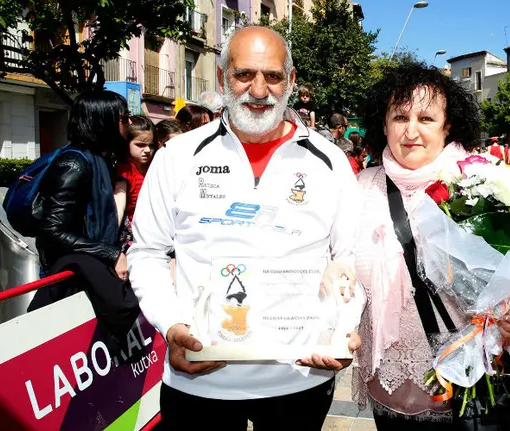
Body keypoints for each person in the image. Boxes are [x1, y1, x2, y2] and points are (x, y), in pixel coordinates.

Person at [127, 26, 363, 430]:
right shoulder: (177, 156)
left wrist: (344, 328)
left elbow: (348, 258)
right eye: (244, 74)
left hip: (301, 375)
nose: (258, 90)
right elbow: (147, 254)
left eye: (272, 76)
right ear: (223, 78)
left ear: (291, 80)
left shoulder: (329, 160)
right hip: (201, 377)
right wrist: (172, 326)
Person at [354, 62, 510, 429]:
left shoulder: (482, 182)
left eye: (426, 118)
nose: (411, 131)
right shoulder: (359, 188)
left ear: (447, 125)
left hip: (474, 380)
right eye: (400, 117)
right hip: (392, 384)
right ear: (383, 124)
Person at [28, 91, 140, 351]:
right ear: (103, 120)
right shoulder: (74, 164)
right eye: (124, 117)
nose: (130, 123)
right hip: (70, 277)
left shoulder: (98, 159)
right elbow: (53, 230)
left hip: (88, 271)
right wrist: (111, 253)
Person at [114, 115, 156, 253]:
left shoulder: (156, 166)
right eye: (140, 145)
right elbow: (119, 207)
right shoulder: (124, 170)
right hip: (132, 237)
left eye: (151, 145)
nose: (147, 150)